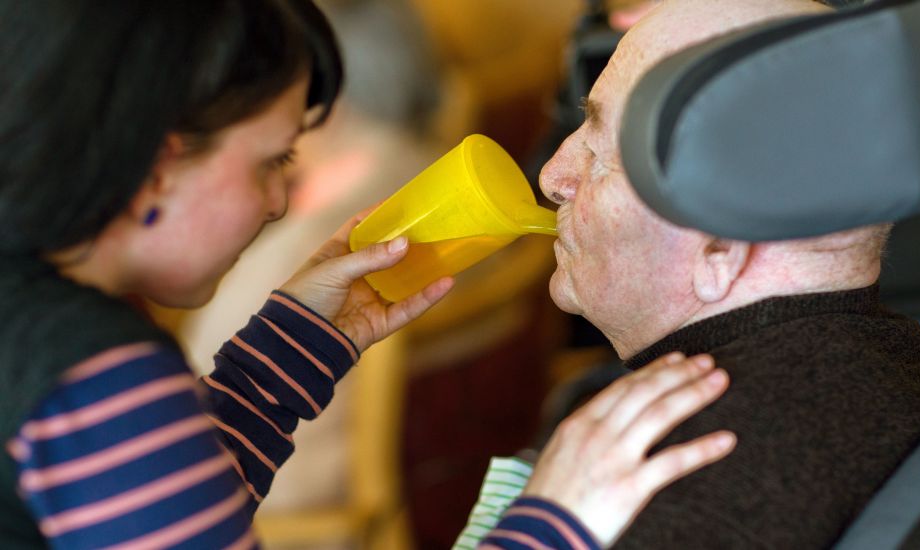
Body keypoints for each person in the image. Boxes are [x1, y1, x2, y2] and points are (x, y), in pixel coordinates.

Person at [0, 1, 736, 548]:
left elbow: (154, 506)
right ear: (162, 165)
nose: (279, 201)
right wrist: (551, 521)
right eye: (271, 162)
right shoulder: (94, 370)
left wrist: (292, 346)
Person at [537, 0, 920, 547]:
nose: (553, 178)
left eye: (599, 156)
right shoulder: (887, 368)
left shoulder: (671, 489)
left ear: (722, 245)